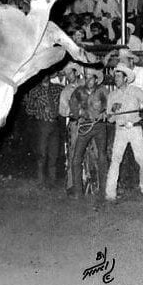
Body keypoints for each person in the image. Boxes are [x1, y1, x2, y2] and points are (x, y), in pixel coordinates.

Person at [105, 63, 143, 201]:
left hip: (135, 129)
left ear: (125, 78)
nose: (116, 79)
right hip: (120, 130)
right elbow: (110, 119)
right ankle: (110, 193)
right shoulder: (112, 96)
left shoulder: (136, 91)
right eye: (115, 76)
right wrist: (112, 111)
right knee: (115, 160)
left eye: (118, 76)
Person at [69, 68, 108, 199]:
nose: (88, 80)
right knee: (76, 159)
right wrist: (78, 113)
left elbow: (109, 105)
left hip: (99, 126)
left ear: (96, 79)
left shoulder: (102, 91)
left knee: (102, 157)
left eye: (91, 77)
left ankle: (103, 190)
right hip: (84, 126)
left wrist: (105, 112)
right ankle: (78, 192)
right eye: (86, 77)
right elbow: (73, 106)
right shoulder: (78, 91)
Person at [25, 74, 63, 186]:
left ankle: (52, 181)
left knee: (54, 154)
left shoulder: (57, 88)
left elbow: (66, 98)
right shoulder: (34, 92)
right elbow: (28, 110)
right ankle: (40, 180)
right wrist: (39, 108)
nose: (44, 76)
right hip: (42, 124)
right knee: (41, 153)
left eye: (47, 73)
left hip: (55, 124)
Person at [58, 62, 84, 191]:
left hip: (88, 122)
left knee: (91, 152)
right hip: (74, 123)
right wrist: (72, 111)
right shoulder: (65, 91)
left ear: (75, 72)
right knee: (73, 152)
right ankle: (72, 184)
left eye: (70, 73)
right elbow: (62, 111)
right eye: (66, 74)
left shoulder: (85, 85)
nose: (69, 76)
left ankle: (90, 182)